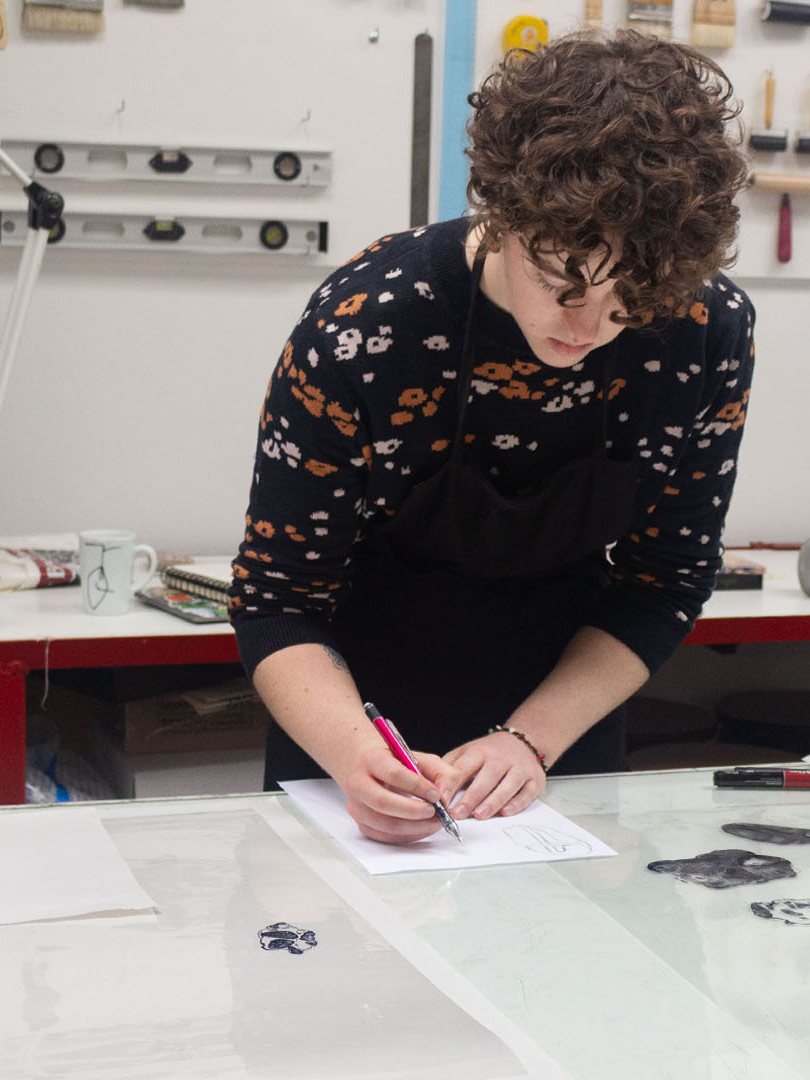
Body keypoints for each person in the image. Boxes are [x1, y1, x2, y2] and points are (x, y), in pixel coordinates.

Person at [231, 30, 755, 843]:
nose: (589, 328)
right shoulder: (367, 327)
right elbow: (277, 599)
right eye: (561, 284)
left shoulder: (702, 328)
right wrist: (356, 756)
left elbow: (663, 582)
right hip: (351, 719)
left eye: (628, 303)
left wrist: (529, 740)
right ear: (504, 213)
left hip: (560, 725)